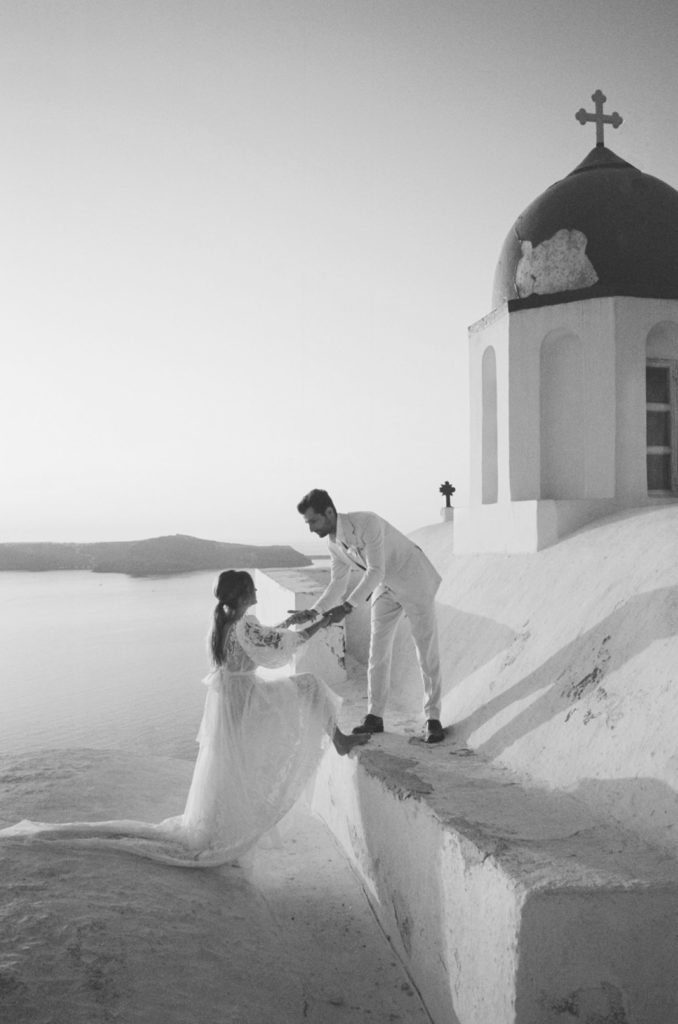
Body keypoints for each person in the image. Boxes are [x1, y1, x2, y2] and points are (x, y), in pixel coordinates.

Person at [0, 570, 368, 866]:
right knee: (313, 687)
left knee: (231, 766)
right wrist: (326, 619)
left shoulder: (226, 619)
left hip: (232, 701)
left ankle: (224, 822)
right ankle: (339, 740)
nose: (257, 591)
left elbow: (266, 638)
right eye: (252, 589)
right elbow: (278, 647)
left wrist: (298, 620)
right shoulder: (244, 624)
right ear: (242, 595)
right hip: (247, 699)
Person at [284, 489, 445, 743]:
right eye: (308, 523)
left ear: (329, 512)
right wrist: (315, 610)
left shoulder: (367, 522)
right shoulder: (333, 544)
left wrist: (347, 607)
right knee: (377, 651)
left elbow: (375, 570)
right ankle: (375, 717)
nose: (311, 529)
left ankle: (433, 718)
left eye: (313, 521)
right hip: (385, 587)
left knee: (425, 649)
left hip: (413, 578)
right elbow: (337, 582)